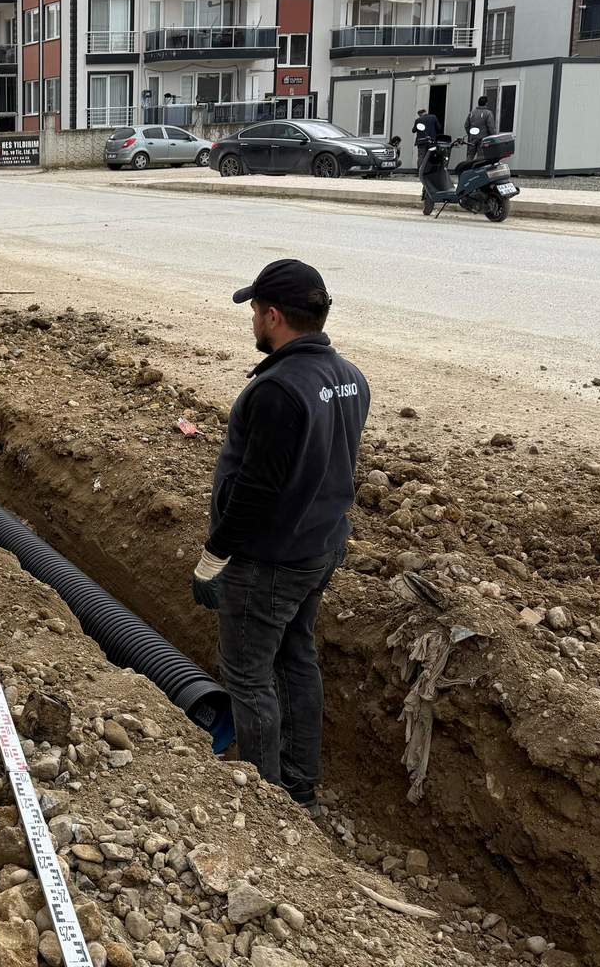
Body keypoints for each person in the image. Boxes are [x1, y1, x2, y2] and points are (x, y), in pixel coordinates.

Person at [191, 259, 370, 810]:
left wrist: (215, 553)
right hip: (320, 546)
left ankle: (266, 806)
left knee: (246, 675)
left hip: (271, 557)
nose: (250, 321)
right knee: (296, 657)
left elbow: (256, 489)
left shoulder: (278, 390)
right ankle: (298, 784)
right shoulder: (348, 377)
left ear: (274, 316)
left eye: (254, 311)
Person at [414, 108, 449, 215]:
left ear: (420, 114)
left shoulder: (418, 120)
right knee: (431, 156)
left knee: (421, 156)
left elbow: (414, 130)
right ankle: (430, 169)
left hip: (421, 142)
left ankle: (420, 171)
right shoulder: (433, 117)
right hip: (431, 141)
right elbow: (439, 127)